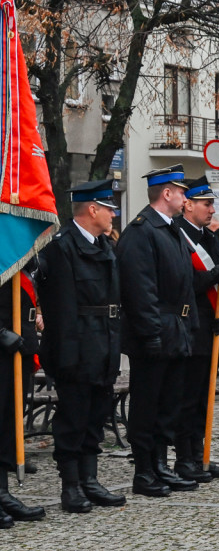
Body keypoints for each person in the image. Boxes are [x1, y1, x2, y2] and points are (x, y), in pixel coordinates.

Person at [32, 180, 124, 514]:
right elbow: (61, 308)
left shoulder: (104, 246)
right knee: (73, 418)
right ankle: (71, 486)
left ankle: (90, 480)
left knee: (97, 415)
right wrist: (66, 357)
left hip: (103, 344)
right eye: (109, 207)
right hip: (77, 347)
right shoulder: (62, 247)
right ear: (92, 209)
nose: (113, 213)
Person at [116, 164, 199, 497]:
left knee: (169, 403)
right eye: (181, 192)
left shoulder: (171, 229)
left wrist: (189, 326)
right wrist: (150, 334)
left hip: (175, 328)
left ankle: (161, 464)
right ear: (166, 193)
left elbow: (185, 283)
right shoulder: (141, 231)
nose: (184, 197)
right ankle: (145, 470)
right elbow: (140, 291)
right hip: (155, 331)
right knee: (148, 404)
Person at [173, 177, 219, 481]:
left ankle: (200, 454)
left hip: (207, 326)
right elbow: (182, 284)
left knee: (202, 397)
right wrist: (211, 278)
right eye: (206, 204)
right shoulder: (178, 235)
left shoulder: (208, 238)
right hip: (189, 329)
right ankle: (185, 458)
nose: (212, 209)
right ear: (188, 204)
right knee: (188, 397)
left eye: (212, 204)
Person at [0, 276, 45, 525]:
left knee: (9, 424)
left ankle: (3, 492)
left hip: (17, 352)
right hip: (3, 347)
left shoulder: (22, 259)